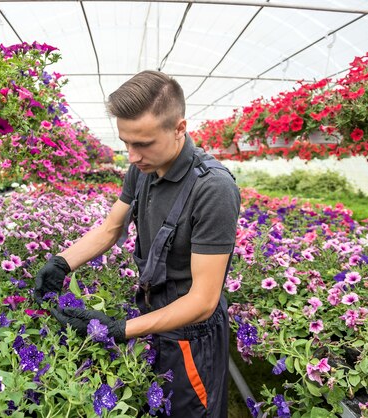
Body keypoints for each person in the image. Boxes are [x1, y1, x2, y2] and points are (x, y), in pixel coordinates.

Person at [34, 70, 240, 417]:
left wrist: (119, 330)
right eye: (126, 143)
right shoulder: (143, 168)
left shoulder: (212, 189)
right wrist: (60, 263)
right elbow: (111, 227)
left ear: (179, 129)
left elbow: (203, 301)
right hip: (152, 314)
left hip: (191, 334)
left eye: (142, 144)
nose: (131, 156)